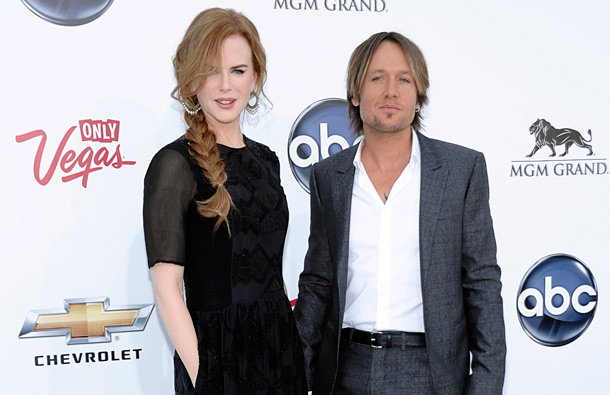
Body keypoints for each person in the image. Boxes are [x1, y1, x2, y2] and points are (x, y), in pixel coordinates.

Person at [293, 31, 506, 394]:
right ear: (356, 94)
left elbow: (482, 285)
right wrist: (295, 376)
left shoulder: (461, 170)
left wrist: (485, 385)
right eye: (377, 77)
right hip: (348, 371)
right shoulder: (329, 178)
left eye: (404, 79)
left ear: (418, 95)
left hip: (433, 374)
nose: (391, 91)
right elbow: (317, 283)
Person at [143, 8, 306, 394]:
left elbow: (271, 266)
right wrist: (206, 377)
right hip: (217, 357)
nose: (225, 86)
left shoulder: (266, 160)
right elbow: (167, 289)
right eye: (211, 70)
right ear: (191, 79)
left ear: (255, 78)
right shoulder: (174, 164)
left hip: (279, 349)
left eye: (237, 70)